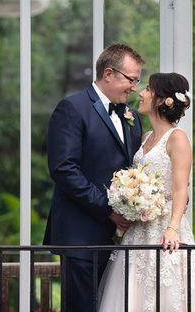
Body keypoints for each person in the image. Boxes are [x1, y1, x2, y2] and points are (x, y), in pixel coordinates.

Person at [97, 72, 195, 312]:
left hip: (165, 228)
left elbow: (181, 189)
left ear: (162, 100)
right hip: (140, 227)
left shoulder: (177, 138)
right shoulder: (145, 137)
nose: (141, 92)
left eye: (148, 89)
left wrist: (172, 228)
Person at [43, 44, 144, 312]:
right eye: (131, 79)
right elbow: (64, 169)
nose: (134, 87)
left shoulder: (130, 116)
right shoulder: (72, 108)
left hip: (118, 238)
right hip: (81, 236)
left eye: (137, 80)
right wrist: (109, 209)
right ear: (109, 73)